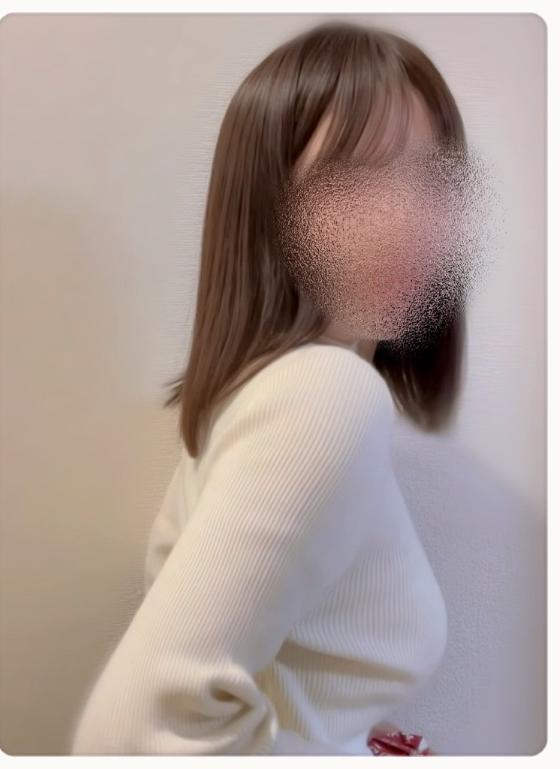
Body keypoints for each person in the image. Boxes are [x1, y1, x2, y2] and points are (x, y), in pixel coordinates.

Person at [70, 19, 468, 755]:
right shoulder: (326, 394)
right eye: (354, 181)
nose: (408, 221)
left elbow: (282, 684)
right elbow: (130, 738)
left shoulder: (266, 398)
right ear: (268, 211)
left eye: (432, 181)